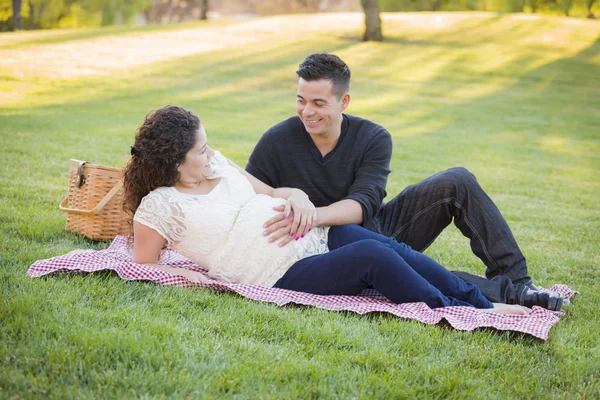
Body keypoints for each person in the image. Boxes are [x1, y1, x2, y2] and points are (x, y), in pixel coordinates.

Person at [122, 105, 536, 314]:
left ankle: (483, 304)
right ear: (174, 162)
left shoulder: (217, 164)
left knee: (390, 247)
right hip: (275, 271)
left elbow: (271, 190)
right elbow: (145, 266)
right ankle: (458, 313)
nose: (209, 151)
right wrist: (200, 277)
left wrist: (297, 198)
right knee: (372, 257)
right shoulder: (161, 206)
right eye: (200, 148)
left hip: (309, 233)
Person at [245, 53, 563, 311]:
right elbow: (250, 195)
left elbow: (362, 206)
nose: (307, 111)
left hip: (376, 227)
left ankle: (516, 281)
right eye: (301, 100)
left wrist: (311, 212)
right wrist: (292, 204)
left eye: (318, 103)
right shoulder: (276, 139)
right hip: (317, 247)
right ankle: (507, 296)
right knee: (400, 268)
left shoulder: (373, 137)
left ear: (344, 102)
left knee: (458, 181)